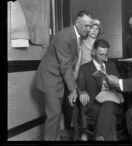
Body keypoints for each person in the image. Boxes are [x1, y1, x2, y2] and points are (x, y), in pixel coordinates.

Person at [34, 10, 93, 141]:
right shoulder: (64, 37)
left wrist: (74, 88)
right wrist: (74, 89)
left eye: (90, 26)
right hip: (49, 78)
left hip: (58, 78)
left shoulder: (76, 35)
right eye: (86, 26)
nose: (89, 29)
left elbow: (71, 65)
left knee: (55, 113)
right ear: (77, 23)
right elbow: (66, 67)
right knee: (54, 113)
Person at [77, 39, 124, 141]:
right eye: (101, 54)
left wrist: (115, 83)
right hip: (94, 104)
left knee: (109, 102)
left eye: (106, 55)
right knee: (110, 117)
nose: (104, 58)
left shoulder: (111, 66)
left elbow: (120, 87)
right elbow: (81, 87)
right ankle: (103, 137)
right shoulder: (84, 68)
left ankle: (100, 137)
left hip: (112, 102)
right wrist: (83, 92)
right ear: (93, 52)